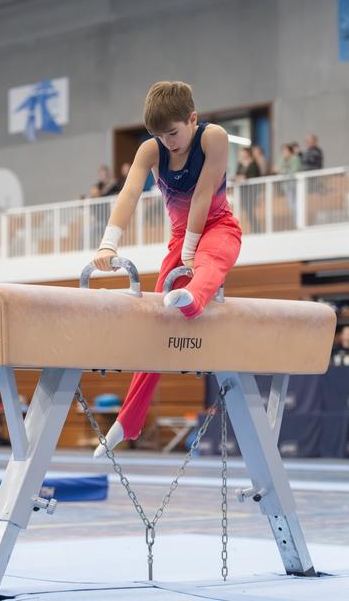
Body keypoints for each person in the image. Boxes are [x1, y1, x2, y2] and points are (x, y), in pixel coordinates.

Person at [92, 80, 242, 456]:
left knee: (209, 265)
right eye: (159, 135)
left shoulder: (214, 138)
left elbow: (205, 192)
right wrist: (108, 242)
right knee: (157, 330)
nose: (168, 141)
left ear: (193, 119)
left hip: (217, 228)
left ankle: (194, 300)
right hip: (179, 239)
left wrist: (191, 253)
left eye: (173, 133)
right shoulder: (151, 150)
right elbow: (128, 193)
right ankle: (127, 421)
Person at [235, 147, 261, 233]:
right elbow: (237, 175)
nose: (242, 155)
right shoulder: (240, 164)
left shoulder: (253, 163)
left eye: (243, 153)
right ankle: (254, 228)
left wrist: (245, 177)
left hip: (252, 190)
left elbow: (255, 175)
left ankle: (256, 229)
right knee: (247, 210)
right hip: (243, 191)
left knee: (250, 209)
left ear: (247, 153)